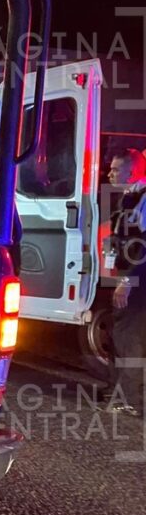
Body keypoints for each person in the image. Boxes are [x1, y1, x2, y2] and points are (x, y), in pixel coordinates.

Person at [103, 149, 146, 416]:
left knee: (129, 336)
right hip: (129, 274)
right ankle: (118, 391)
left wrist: (128, 281)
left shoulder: (143, 199)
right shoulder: (129, 197)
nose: (110, 174)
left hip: (139, 279)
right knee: (120, 333)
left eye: (116, 169)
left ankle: (129, 400)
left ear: (134, 172)